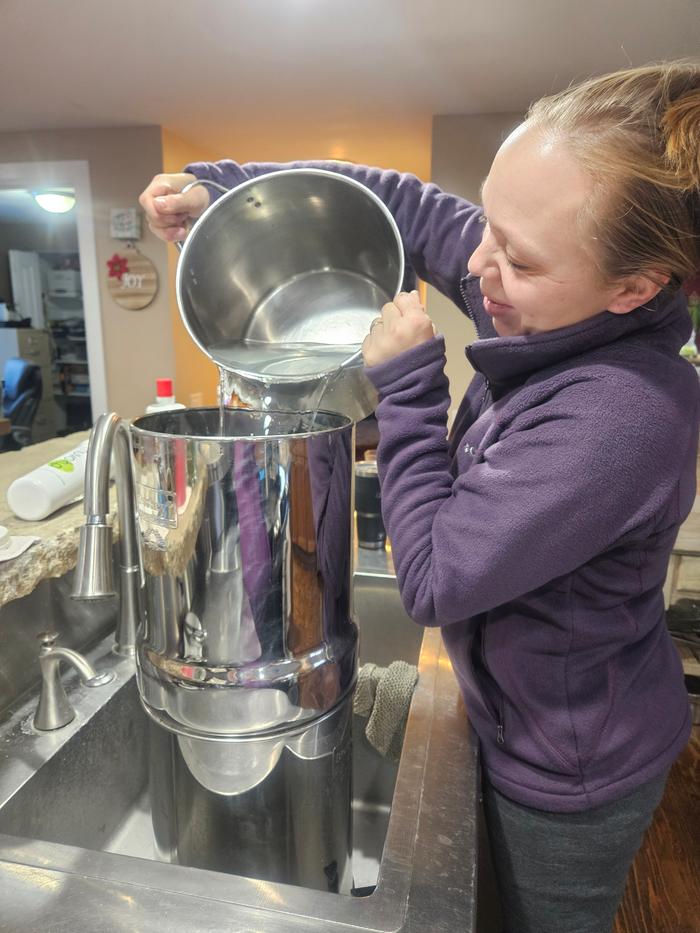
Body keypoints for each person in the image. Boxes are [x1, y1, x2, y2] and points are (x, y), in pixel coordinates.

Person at [140, 62, 700, 933]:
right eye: (493, 223)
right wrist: (221, 189)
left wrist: (406, 387)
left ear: (636, 288)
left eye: (518, 257)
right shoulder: (554, 303)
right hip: (512, 712)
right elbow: (408, 206)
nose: (481, 268)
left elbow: (435, 581)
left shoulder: (621, 417)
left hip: (568, 772)